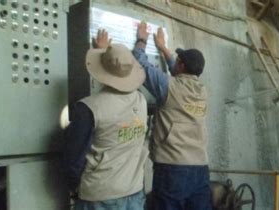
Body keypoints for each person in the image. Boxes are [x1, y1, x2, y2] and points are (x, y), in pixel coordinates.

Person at [64, 29, 148, 210]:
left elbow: (74, 159)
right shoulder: (141, 101)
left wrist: (102, 55)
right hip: (133, 192)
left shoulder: (88, 108)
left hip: (99, 196)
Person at [132, 22, 212, 210]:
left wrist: (141, 39)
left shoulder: (169, 87)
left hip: (172, 168)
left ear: (181, 65)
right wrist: (163, 47)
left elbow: (139, 63)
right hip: (200, 169)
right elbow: (180, 72)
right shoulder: (202, 91)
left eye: (178, 60)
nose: (174, 61)